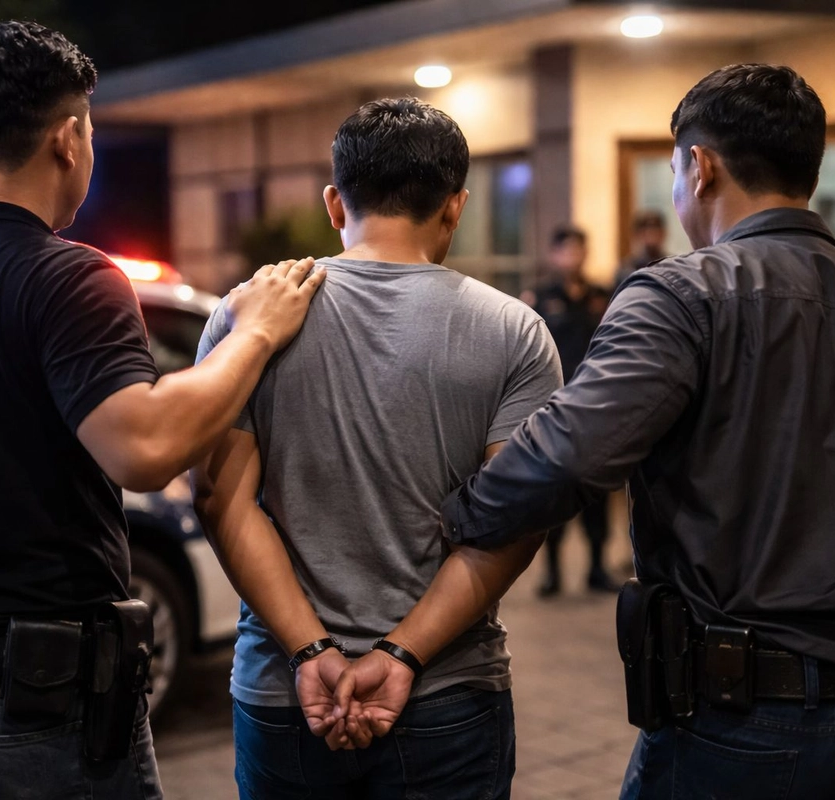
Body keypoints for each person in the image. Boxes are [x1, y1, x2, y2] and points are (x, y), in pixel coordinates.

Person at [0, 21, 324, 800]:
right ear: (69, 139)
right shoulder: (69, 278)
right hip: (26, 708)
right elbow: (143, 448)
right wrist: (254, 334)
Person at [442, 63, 835, 798]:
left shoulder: (680, 297)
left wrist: (450, 520)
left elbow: (565, 459)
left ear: (700, 168)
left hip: (745, 727)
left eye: (673, 169)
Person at [191, 98, 560, 799]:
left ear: (335, 203)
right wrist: (401, 654)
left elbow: (219, 501)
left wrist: (311, 650)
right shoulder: (515, 332)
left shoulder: (253, 312)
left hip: (283, 691)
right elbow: (515, 521)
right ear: (455, 207)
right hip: (447, 691)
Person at [524, 226, 617, 595]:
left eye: (579, 249)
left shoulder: (601, 296)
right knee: (552, 491)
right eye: (566, 250)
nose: (573, 257)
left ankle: (597, 568)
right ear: (554, 254)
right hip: (554, 411)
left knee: (596, 492)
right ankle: (552, 573)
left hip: (594, 409)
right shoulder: (540, 298)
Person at [613, 208, 668, 289]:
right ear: (636, 235)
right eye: (646, 232)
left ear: (663, 234)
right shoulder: (626, 270)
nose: (651, 236)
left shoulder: (669, 266)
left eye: (656, 231)